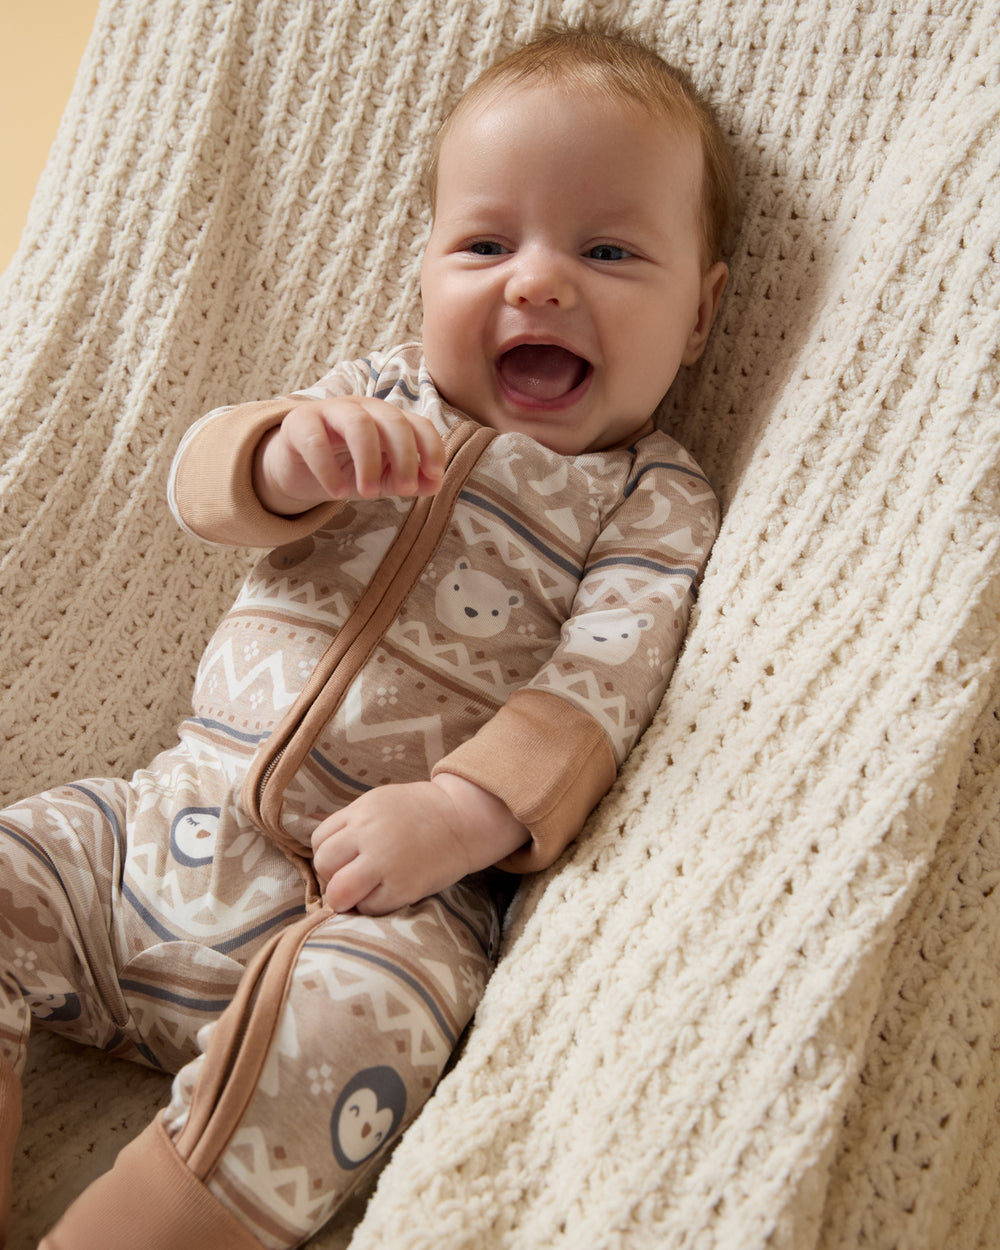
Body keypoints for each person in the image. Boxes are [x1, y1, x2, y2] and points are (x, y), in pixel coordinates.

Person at [0, 21, 732, 1250]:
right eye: (485, 244)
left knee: (364, 1028)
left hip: (385, 907)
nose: (536, 282)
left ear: (700, 317)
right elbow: (201, 484)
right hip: (165, 828)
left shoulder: (649, 499)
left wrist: (458, 815)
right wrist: (284, 456)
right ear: (427, 270)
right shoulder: (374, 398)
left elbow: (600, 687)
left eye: (606, 250)